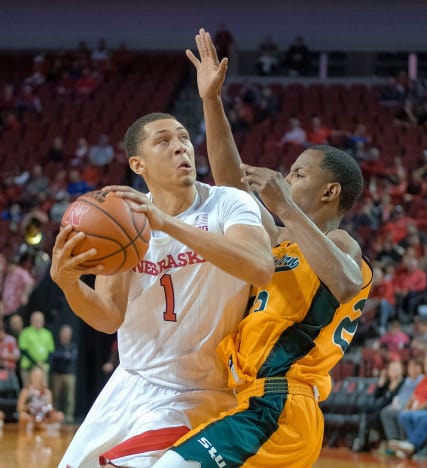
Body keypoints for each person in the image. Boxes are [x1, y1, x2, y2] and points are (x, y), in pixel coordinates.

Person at [153, 28, 370, 468]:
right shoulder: (279, 239)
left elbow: (348, 284)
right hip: (248, 401)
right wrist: (211, 102)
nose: (286, 179)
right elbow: (230, 182)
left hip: (281, 408)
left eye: (298, 174)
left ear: (329, 193)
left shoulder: (340, 242)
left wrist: (287, 208)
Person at [53, 53, 273, 468]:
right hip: (130, 383)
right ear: (138, 164)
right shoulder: (126, 222)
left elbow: (259, 266)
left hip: (199, 393)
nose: (179, 148)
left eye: (184, 138)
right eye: (163, 141)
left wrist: (168, 224)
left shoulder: (230, 203)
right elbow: (108, 316)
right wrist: (69, 285)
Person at [17, 366, 63, 432]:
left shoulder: (47, 391)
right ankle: (40, 426)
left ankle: (38, 425)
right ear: (31, 377)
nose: (36, 379)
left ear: (42, 378)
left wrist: (44, 408)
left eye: (38, 377)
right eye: (35, 376)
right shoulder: (26, 390)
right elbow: (19, 408)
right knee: (22, 416)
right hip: (31, 416)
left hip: (43, 416)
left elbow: (50, 408)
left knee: (60, 415)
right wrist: (30, 406)